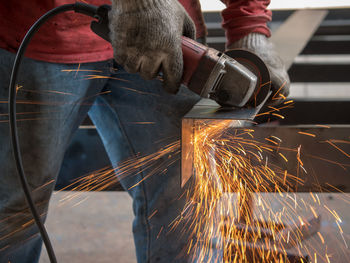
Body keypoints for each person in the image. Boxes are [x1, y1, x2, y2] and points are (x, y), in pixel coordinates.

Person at [0, 0, 289, 262]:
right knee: (14, 209)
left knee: (187, 196)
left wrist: (249, 27)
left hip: (165, 33)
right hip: (38, 33)